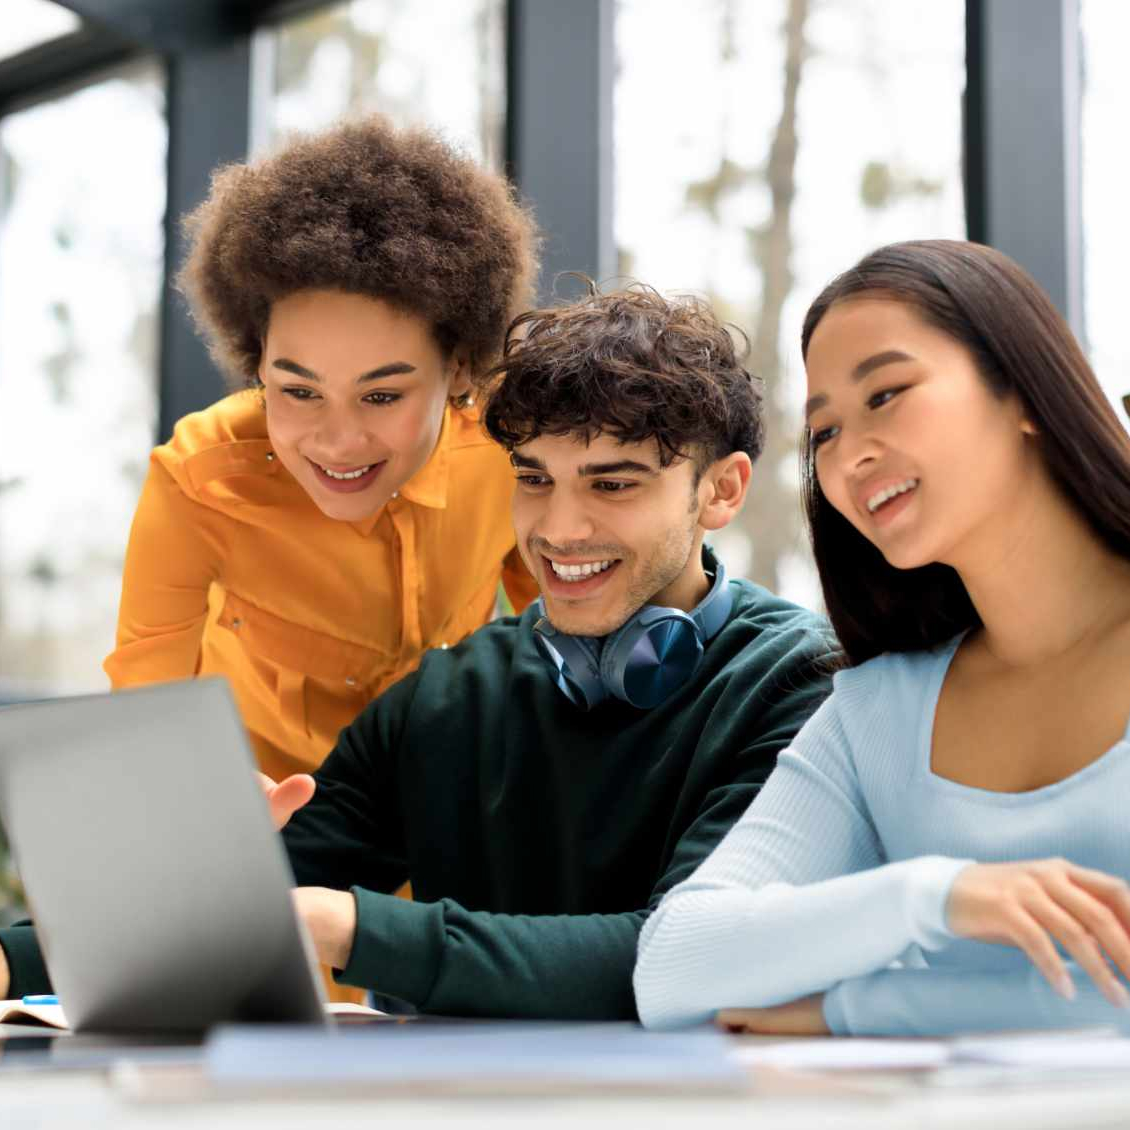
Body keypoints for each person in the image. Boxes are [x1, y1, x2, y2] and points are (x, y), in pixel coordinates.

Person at [0, 285, 833, 1017]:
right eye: (534, 479)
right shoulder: (449, 697)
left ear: (721, 490)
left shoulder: (799, 685)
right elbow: (243, 894)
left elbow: (681, 953)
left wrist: (348, 927)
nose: (559, 528)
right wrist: (14, 960)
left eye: (613, 483)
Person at [634, 239, 1130, 1037]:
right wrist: (932, 897)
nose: (850, 454)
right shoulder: (880, 713)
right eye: (823, 432)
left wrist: (850, 1007)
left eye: (887, 393)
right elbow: (674, 966)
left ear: (1024, 393)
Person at [105, 115, 540, 783]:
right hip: (264, 843)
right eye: (299, 392)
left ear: (457, 369)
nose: (338, 442)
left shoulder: (512, 453)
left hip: (445, 835)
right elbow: (140, 723)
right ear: (257, 363)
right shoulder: (198, 481)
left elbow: (570, 644)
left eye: (382, 396)